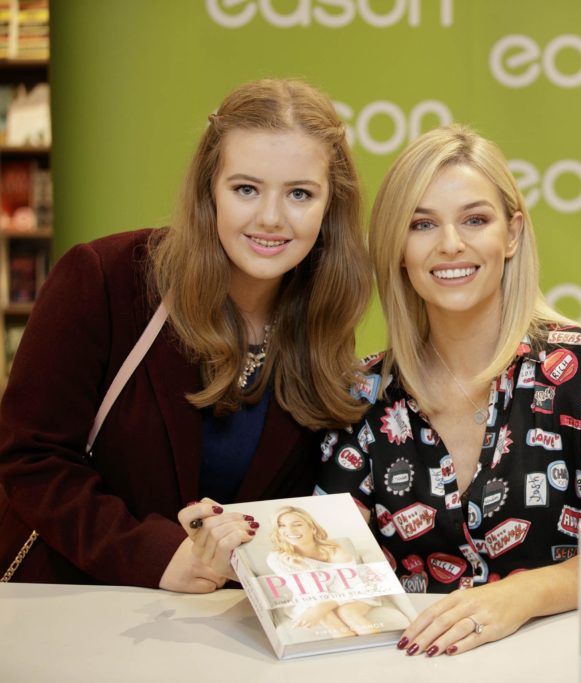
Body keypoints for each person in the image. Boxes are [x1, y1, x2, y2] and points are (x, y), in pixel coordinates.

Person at [0, 79, 371, 591]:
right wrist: (151, 556)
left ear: (330, 206)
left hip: (228, 634)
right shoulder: (105, 279)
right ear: (208, 191)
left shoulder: (323, 318)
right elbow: (28, 456)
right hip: (79, 609)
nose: (270, 218)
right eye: (246, 188)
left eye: (300, 194)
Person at [316, 124, 581, 656]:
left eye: (475, 219)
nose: (451, 244)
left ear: (512, 233)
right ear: (396, 246)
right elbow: (323, 566)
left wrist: (521, 595)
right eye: (422, 224)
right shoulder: (360, 393)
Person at [266, 505, 409, 637]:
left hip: (355, 592)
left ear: (312, 528)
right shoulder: (278, 559)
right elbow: (306, 595)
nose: (289, 531)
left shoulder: (335, 552)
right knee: (325, 616)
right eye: (282, 526)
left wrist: (323, 606)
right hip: (311, 598)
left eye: (297, 524)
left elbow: (352, 588)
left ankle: (381, 651)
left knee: (347, 612)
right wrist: (304, 570)